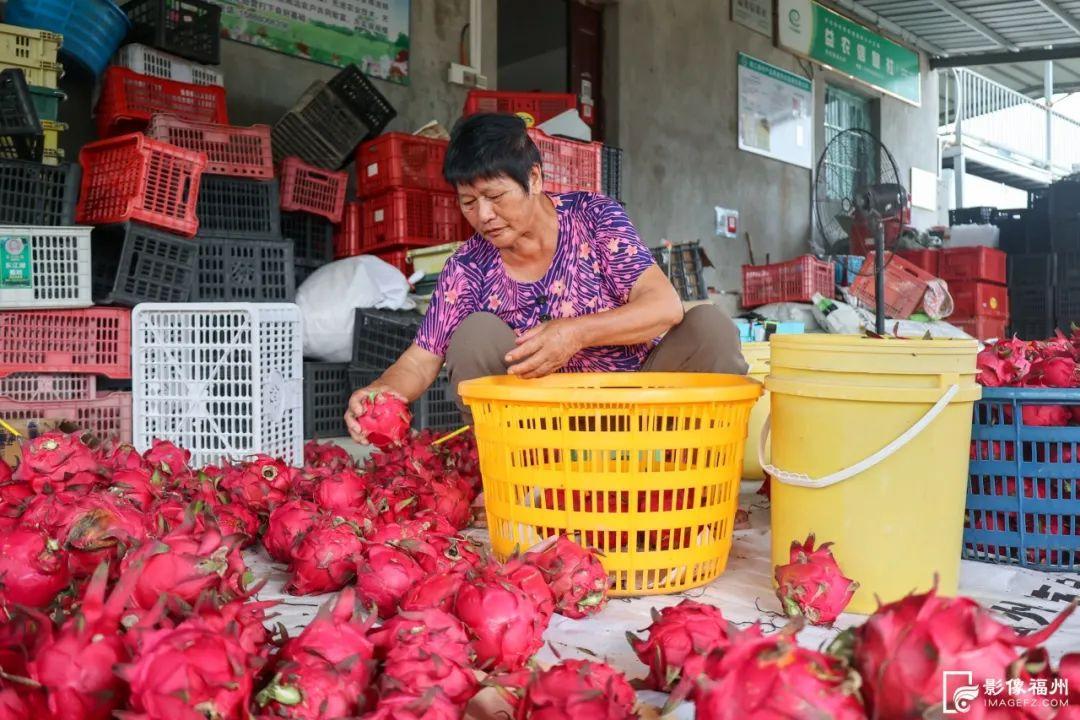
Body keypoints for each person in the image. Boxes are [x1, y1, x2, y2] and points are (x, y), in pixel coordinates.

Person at [345, 113, 747, 443]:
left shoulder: (595, 217)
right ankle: (520, 477)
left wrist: (574, 333)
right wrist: (380, 392)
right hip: (544, 433)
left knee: (710, 328)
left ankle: (683, 471)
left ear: (534, 179)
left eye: (496, 197)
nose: (483, 215)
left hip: (641, 409)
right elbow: (420, 359)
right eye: (468, 202)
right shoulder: (467, 267)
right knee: (475, 334)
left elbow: (664, 306)